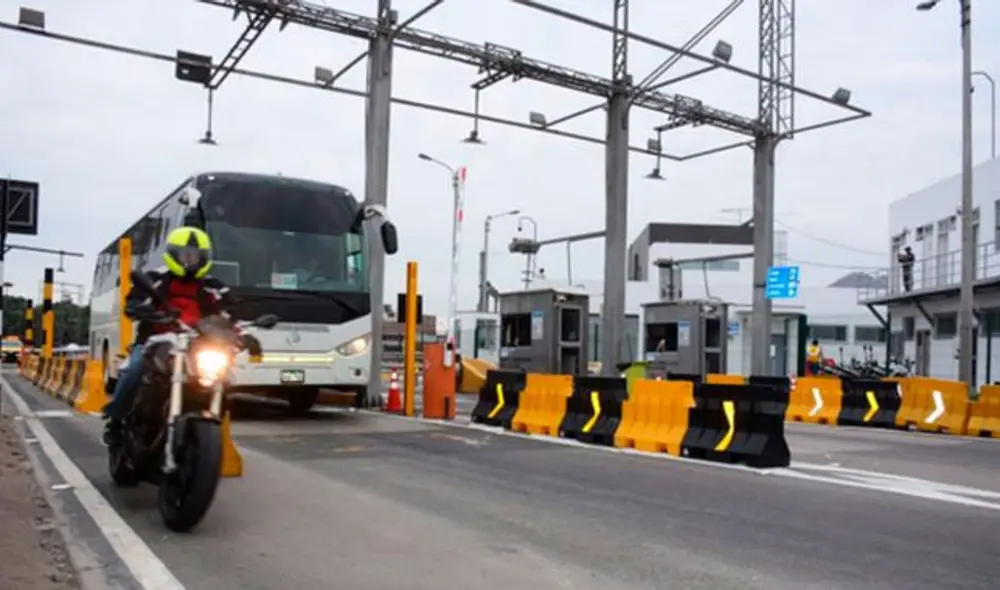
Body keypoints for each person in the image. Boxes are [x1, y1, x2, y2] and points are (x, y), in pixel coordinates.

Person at [102, 226, 241, 445]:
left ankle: (203, 438)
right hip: (156, 341)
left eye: (196, 256)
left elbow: (230, 315)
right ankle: (116, 421)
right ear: (174, 254)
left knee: (225, 377)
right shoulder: (155, 280)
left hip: (197, 345)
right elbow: (134, 302)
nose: (190, 261)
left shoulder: (214, 288)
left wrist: (242, 334)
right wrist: (142, 309)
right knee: (134, 369)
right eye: (185, 255)